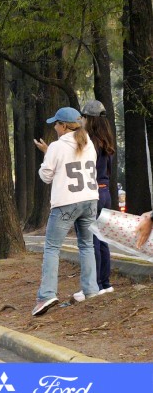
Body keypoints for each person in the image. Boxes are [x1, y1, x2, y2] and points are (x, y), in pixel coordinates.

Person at [31, 107, 99, 316]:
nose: (54, 127)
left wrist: (47, 157)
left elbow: (46, 176)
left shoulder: (57, 146)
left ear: (64, 126)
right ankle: (91, 290)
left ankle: (47, 294)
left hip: (66, 202)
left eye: (56, 124)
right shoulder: (88, 143)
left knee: (52, 247)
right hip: (90, 199)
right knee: (87, 245)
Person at [81, 99, 116, 296]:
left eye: (84, 117)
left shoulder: (89, 142)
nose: (82, 121)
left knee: (91, 241)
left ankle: (94, 285)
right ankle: (105, 283)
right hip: (105, 192)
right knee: (102, 240)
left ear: (90, 119)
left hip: (93, 192)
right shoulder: (106, 140)